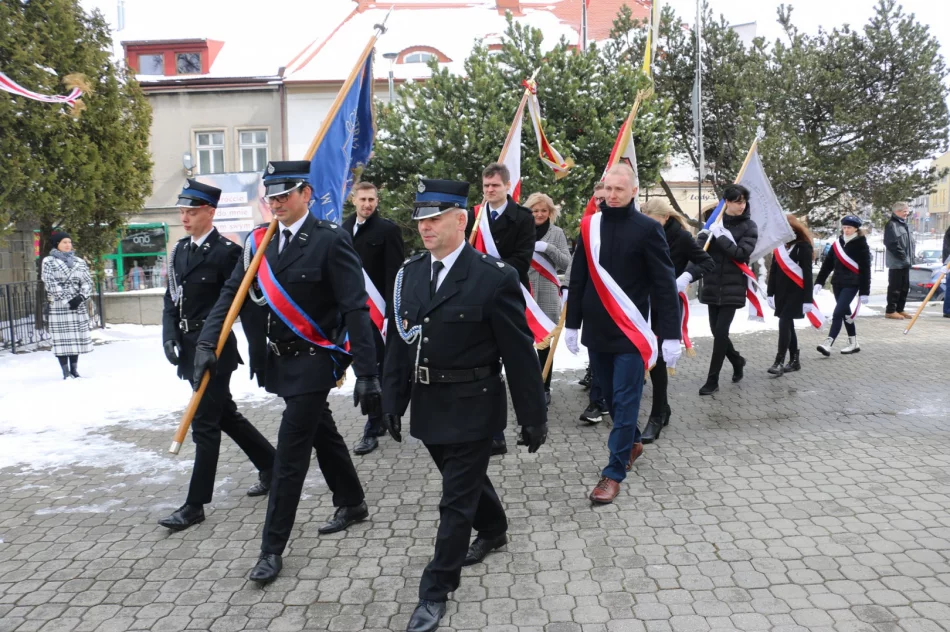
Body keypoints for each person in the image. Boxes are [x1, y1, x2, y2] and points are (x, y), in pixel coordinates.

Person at [195, 161, 382, 584]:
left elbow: (355, 307)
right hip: (278, 360)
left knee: (291, 454)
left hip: (315, 360)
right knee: (322, 431)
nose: (276, 202)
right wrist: (208, 342)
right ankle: (351, 500)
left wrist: (369, 372)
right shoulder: (258, 242)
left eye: (285, 194)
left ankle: (271, 548)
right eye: (272, 196)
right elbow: (232, 294)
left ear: (306, 195)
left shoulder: (330, 241)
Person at [382, 178, 547, 632]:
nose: (424, 227)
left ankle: (435, 590)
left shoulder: (493, 277)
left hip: (476, 407)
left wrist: (533, 417)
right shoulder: (410, 273)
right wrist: (392, 400)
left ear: (461, 219)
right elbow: (399, 342)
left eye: (434, 218)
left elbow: (519, 353)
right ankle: (494, 528)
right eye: (420, 219)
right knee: (465, 485)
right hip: (429, 405)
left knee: (454, 503)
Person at [157, 179, 277, 532]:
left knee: (204, 424)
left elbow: (245, 307)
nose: (185, 217)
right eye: (182, 211)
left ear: (210, 212)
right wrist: (168, 335)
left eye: (191, 211)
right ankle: (272, 464)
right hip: (188, 348)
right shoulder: (179, 251)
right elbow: (170, 298)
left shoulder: (226, 252)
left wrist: (258, 350)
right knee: (225, 415)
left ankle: (195, 505)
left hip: (216, 351)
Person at [564, 164, 681, 504]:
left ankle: (613, 473)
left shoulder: (647, 229)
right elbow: (581, 278)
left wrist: (670, 334)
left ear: (633, 192)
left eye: (619, 189)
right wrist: (573, 323)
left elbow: (663, 284)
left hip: (630, 332)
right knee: (612, 401)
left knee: (626, 398)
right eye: (608, 189)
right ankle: (632, 444)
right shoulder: (590, 226)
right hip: (598, 330)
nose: (612, 195)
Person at [466, 162, 535, 456]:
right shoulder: (474, 216)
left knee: (519, 364)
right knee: (487, 368)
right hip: (476, 301)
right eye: (485, 186)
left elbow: (522, 259)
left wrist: (486, 274)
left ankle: (530, 424)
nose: (489, 190)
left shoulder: (523, 217)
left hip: (510, 295)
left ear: (508, 186)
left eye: (495, 185)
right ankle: (494, 433)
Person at [640, 199, 714, 443]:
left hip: (667, 303)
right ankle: (664, 407)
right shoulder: (641, 234)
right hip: (642, 304)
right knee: (647, 357)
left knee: (660, 358)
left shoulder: (681, 238)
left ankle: (656, 415)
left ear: (665, 218)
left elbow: (706, 261)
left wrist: (686, 276)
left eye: (654, 222)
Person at [342, 181, 406, 455]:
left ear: (377, 201)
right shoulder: (342, 230)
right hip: (351, 313)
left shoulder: (388, 230)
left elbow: (395, 276)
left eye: (372, 200)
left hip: (379, 313)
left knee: (374, 370)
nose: (367, 204)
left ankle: (371, 429)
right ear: (353, 200)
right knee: (364, 368)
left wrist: (393, 314)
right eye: (363, 199)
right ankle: (378, 419)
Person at [696, 184, 759, 396]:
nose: (742, 206)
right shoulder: (715, 223)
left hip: (733, 287)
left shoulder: (749, 226)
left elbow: (741, 254)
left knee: (721, 332)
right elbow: (700, 251)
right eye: (737, 202)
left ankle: (712, 380)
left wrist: (721, 236)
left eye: (744, 202)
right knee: (716, 332)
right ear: (727, 203)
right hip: (713, 285)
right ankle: (737, 360)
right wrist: (706, 235)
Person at [524, 192, 571, 403]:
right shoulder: (521, 231)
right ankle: (527, 385)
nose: (539, 214)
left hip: (548, 293)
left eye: (544, 210)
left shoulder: (556, 233)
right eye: (535, 210)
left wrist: (548, 248)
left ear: (550, 212)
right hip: (524, 292)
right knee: (524, 343)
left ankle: (544, 387)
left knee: (545, 343)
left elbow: (566, 263)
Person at [765, 214, 815, 376]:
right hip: (781, 293)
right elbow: (773, 271)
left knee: (784, 322)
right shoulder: (779, 247)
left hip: (796, 293)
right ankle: (795, 360)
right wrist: (770, 292)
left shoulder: (803, 247)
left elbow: (807, 274)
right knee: (788, 325)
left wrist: (808, 299)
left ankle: (779, 361)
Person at [576, 183, 609, 425]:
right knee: (596, 356)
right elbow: (578, 267)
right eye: (596, 199)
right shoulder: (588, 228)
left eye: (604, 197)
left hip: (623, 307)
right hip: (594, 303)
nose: (600, 202)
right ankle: (598, 402)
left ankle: (605, 400)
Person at [814, 215, 871, 355]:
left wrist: (865, 291)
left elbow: (865, 269)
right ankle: (853, 342)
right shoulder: (837, 244)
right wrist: (819, 281)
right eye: (844, 227)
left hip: (852, 283)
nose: (846, 230)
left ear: (856, 229)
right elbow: (827, 265)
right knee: (845, 312)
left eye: (849, 228)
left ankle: (829, 342)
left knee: (838, 312)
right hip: (837, 283)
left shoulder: (861, 245)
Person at [41, 230, 94, 379]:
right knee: (62, 338)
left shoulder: (79, 261)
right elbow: (50, 282)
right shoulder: (49, 261)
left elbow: (87, 281)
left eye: (69, 242)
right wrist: (67, 299)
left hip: (78, 303)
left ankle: (74, 370)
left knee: (75, 337)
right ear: (57, 244)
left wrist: (80, 297)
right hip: (59, 304)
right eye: (64, 242)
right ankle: (65, 371)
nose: (68, 245)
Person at [883, 201, 915, 319]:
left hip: (906, 262)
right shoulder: (892, 224)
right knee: (895, 287)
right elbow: (891, 243)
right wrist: (903, 257)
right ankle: (891, 310)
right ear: (897, 212)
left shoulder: (904, 224)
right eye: (904, 211)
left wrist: (910, 258)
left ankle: (900, 309)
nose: (906, 213)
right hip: (897, 262)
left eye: (907, 211)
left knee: (904, 287)